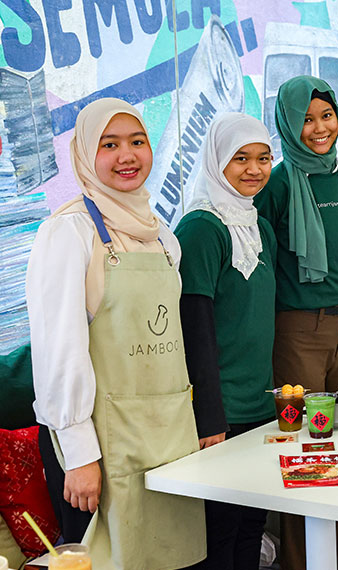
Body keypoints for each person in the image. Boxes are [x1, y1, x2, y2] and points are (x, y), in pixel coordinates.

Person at [26, 98, 206, 569]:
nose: (127, 156)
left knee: (172, 558)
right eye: (110, 144)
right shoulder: (67, 233)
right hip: (100, 442)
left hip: (169, 437)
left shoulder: (164, 237)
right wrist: (80, 454)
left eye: (137, 142)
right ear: (86, 154)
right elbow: (58, 352)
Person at [254, 76, 338, 570]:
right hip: (299, 332)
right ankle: (304, 563)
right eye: (305, 119)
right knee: (304, 449)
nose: (319, 128)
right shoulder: (277, 184)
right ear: (286, 123)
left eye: (326, 116)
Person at [175, 112, 277, 570]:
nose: (254, 169)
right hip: (222, 414)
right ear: (217, 162)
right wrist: (208, 418)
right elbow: (194, 330)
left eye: (263, 158)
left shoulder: (258, 225)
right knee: (219, 532)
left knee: (252, 525)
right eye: (240, 159)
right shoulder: (201, 228)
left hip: (259, 406)